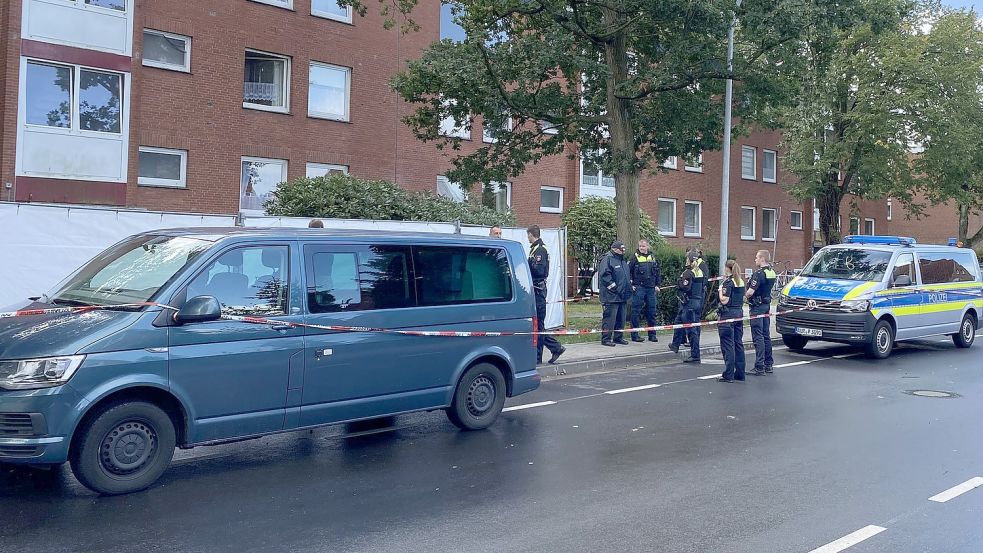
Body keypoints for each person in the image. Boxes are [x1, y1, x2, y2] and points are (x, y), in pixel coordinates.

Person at [527, 225, 566, 366]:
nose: (528, 238)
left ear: (531, 234)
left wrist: (528, 267)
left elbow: (538, 270)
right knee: (537, 326)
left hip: (538, 289)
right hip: (536, 289)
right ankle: (555, 348)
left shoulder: (540, 249)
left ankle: (541, 356)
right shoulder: (535, 249)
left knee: (538, 325)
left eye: (528, 235)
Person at [745, 249, 777, 375]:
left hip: (757, 307)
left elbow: (750, 292)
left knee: (758, 336)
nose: (755, 259)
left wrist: (745, 296)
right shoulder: (771, 272)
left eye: (757, 257)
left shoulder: (758, 274)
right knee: (765, 335)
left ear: (762, 259)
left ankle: (759, 366)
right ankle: (768, 364)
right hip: (766, 306)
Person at [717, 259, 747, 382]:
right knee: (738, 344)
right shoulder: (740, 282)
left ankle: (728, 374)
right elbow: (744, 298)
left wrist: (720, 291)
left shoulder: (728, 283)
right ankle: (740, 373)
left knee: (727, 345)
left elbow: (725, 300)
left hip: (728, 315)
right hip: (739, 314)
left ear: (727, 268)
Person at [598, 240, 632, 346]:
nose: (623, 251)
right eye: (621, 249)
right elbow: (605, 276)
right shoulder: (607, 259)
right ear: (615, 249)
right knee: (610, 319)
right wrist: (614, 288)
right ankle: (606, 339)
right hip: (611, 296)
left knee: (621, 319)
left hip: (622, 296)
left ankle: (618, 337)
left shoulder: (621, 261)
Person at [669, 252, 701, 361]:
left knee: (691, 330)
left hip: (689, 303)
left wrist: (679, 281)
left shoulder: (688, 273)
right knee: (678, 322)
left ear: (689, 260)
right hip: (696, 302)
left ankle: (695, 355)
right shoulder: (699, 271)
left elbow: (685, 287)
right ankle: (675, 344)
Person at [628, 239, 661, 342]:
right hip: (639, 288)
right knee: (636, 311)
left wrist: (657, 284)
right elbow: (627, 272)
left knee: (652, 312)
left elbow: (657, 272)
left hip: (651, 288)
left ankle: (652, 335)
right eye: (640, 246)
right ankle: (635, 335)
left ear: (648, 247)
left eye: (643, 246)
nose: (641, 248)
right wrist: (631, 285)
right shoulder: (634, 257)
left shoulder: (653, 257)